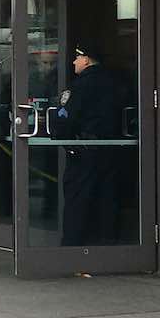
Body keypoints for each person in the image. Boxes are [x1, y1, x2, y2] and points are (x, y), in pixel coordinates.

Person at [48, 43, 122, 246]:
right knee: (107, 198)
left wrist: (65, 141)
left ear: (86, 60)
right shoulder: (115, 82)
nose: (74, 61)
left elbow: (66, 117)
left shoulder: (81, 85)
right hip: (111, 148)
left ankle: (72, 248)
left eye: (77, 58)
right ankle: (107, 243)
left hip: (84, 148)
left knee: (77, 199)